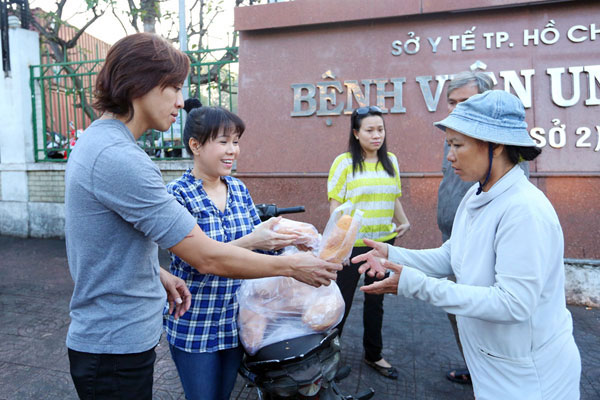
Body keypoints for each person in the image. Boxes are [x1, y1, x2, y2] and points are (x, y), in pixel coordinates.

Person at [64, 32, 340, 400]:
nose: (180, 101)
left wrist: (156, 272)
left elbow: (103, 239)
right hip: (115, 346)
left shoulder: (99, 142)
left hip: (115, 340)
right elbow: (206, 257)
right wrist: (292, 267)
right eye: (173, 87)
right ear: (138, 83)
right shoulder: (121, 158)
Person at [356, 90, 582, 399]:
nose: (450, 156)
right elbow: (453, 255)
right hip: (492, 369)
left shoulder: (524, 210)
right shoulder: (476, 194)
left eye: (457, 145)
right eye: (449, 145)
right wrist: (393, 253)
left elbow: (513, 303)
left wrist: (415, 284)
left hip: (530, 379)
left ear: (496, 144)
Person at [164, 104, 299, 399]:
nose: (232, 150)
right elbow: (199, 260)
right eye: (223, 141)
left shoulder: (238, 189)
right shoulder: (176, 194)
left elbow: (260, 251)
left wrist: (292, 245)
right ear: (195, 145)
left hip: (237, 321)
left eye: (236, 141)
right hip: (195, 322)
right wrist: (254, 240)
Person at [437, 71, 529, 385]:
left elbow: (511, 304)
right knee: (461, 318)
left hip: (481, 247)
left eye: (465, 101)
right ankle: (475, 368)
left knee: (483, 316)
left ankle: (489, 377)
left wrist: (410, 282)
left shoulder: (500, 156)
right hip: (453, 242)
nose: (457, 109)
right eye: (452, 103)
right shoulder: (455, 140)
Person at [327, 105, 410, 380]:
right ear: (356, 133)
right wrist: (337, 241)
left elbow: (393, 195)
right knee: (342, 301)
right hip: (353, 244)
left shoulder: (392, 161)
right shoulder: (344, 163)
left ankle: (374, 354)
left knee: (377, 301)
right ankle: (328, 356)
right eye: (370, 130)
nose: (377, 136)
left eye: (381, 130)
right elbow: (335, 204)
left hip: (383, 243)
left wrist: (404, 219)